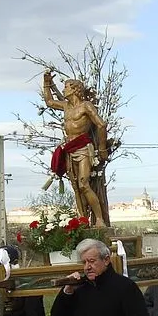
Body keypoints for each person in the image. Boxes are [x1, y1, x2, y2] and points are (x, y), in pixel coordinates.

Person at [43, 71, 110, 227]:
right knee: (75, 186)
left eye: (66, 87)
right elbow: (49, 102)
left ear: (74, 89)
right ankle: (83, 220)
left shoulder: (86, 106)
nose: (64, 90)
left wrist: (102, 148)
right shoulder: (66, 106)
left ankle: (99, 219)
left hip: (83, 148)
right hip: (69, 149)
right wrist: (46, 83)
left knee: (83, 184)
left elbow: (101, 124)